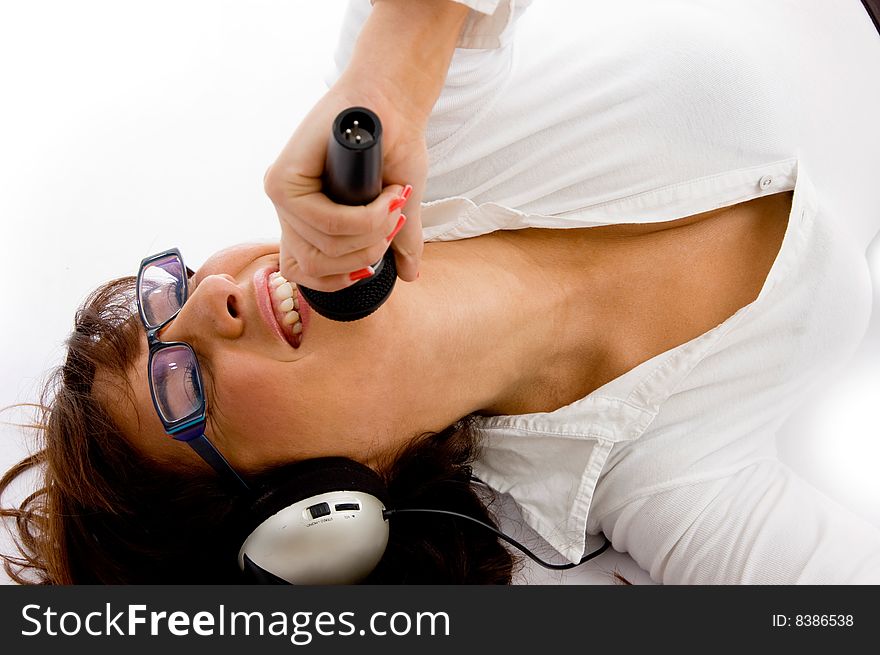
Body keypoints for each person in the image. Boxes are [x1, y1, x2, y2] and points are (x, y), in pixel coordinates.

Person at [3, 0, 880, 584]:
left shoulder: (397, 123)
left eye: (172, 295)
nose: (206, 303)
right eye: (180, 388)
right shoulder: (647, 487)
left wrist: (394, 69)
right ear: (310, 521)